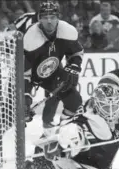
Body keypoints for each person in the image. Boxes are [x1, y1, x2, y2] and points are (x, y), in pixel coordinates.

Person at [24, 1, 83, 133]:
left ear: (58, 18)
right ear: (39, 19)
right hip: (27, 75)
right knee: (11, 111)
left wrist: (73, 67)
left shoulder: (66, 31)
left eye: (52, 17)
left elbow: (76, 53)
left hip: (51, 73)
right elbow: (24, 72)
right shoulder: (31, 38)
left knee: (75, 102)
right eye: (45, 17)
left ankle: (63, 131)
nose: (49, 21)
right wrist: (25, 95)